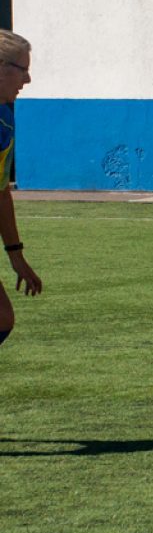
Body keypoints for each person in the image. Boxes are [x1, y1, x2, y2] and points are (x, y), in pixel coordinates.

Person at [0, 30, 43, 342]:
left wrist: (16, 254)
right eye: (22, 69)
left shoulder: (4, 117)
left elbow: (1, 191)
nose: (27, 80)